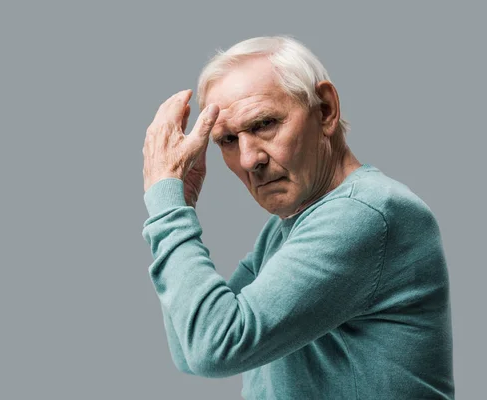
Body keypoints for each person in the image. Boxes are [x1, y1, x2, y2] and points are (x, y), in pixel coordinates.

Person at [141, 36, 454, 399]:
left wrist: (168, 207)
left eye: (264, 124)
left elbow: (214, 346)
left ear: (325, 110)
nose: (248, 159)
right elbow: (189, 346)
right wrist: (182, 202)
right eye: (227, 140)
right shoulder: (288, 227)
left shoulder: (367, 212)